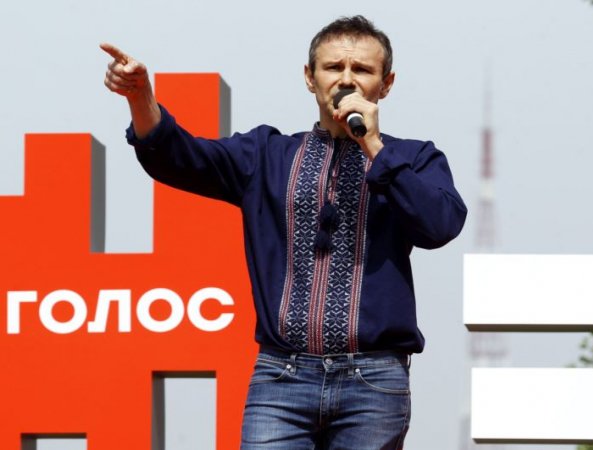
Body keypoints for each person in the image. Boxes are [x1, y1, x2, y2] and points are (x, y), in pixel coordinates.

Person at [102, 15, 467, 450]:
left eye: (362, 69)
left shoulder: (414, 158)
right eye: (333, 67)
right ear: (310, 77)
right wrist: (141, 98)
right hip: (282, 378)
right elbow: (179, 157)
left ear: (385, 84)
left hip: (373, 381)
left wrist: (374, 147)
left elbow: (440, 225)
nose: (346, 79)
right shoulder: (266, 155)